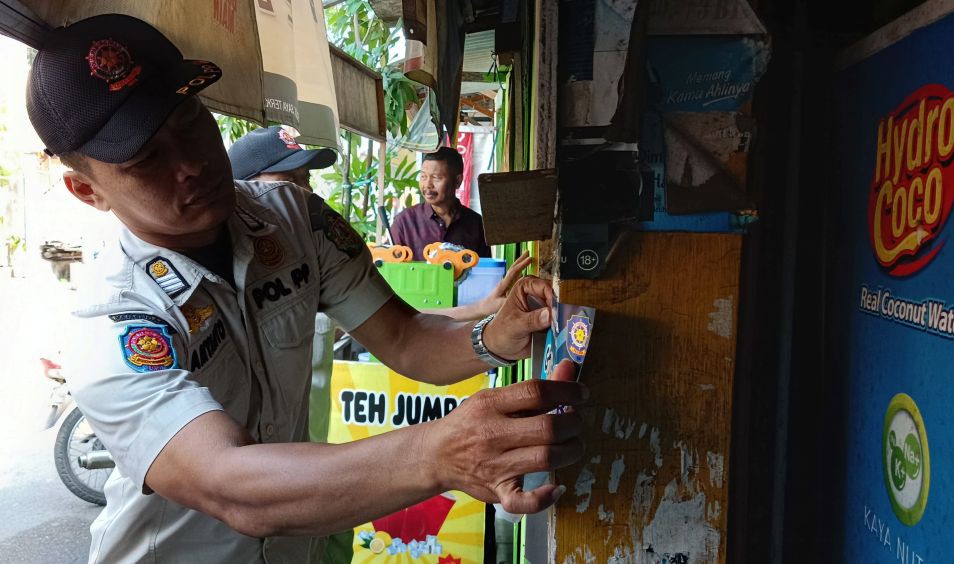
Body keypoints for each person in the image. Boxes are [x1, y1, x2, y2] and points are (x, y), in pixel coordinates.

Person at [31, 14, 586, 563]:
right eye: (147, 158)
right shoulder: (111, 318)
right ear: (88, 190)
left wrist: (496, 335)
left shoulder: (294, 220)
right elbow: (230, 483)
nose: (192, 163)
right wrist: (442, 454)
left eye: (189, 122)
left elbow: (407, 337)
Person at [226, 126, 531, 442]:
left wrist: (496, 332)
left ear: (456, 182)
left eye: (306, 181)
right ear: (240, 192)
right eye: (288, 185)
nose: (303, 196)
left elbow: (404, 332)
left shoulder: (318, 255)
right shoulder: (187, 284)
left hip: (303, 464)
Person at [390, 146, 491, 258]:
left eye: (436, 177)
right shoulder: (404, 222)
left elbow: (484, 271)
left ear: (458, 181)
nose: (427, 184)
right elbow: (390, 269)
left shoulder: (476, 224)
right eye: (423, 176)